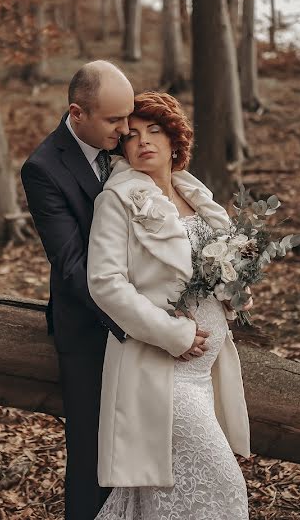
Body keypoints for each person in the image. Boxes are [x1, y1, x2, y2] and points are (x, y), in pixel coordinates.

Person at [87, 91, 251, 519]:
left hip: (206, 371)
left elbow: (215, 275)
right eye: (132, 135)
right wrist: (173, 334)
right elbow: (105, 284)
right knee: (224, 487)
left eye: (154, 131)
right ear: (121, 147)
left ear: (174, 139)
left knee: (169, 500)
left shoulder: (197, 196)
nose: (143, 141)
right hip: (161, 368)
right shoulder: (117, 200)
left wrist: (239, 287)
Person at [21, 60, 136, 519]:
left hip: (148, 318)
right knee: (91, 454)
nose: (127, 129)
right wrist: (139, 317)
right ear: (77, 113)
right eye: (114, 120)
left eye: (127, 116)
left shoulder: (128, 141)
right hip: (89, 329)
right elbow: (72, 266)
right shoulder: (44, 168)